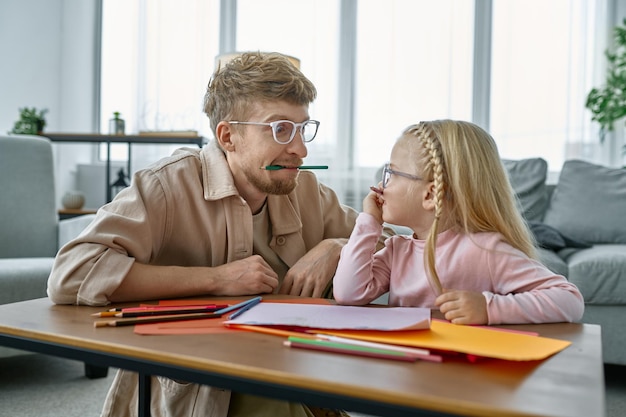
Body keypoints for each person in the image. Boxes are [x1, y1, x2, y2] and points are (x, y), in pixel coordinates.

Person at [48, 52, 389, 417]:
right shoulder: (166, 184)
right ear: (228, 136)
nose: (300, 150)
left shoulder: (304, 188)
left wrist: (335, 247)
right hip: (198, 388)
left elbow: (392, 248)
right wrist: (218, 278)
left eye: (303, 128)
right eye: (280, 129)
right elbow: (71, 273)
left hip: (292, 371)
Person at [333, 120, 584, 325]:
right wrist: (368, 223)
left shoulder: (485, 249)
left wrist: (489, 308)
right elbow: (347, 293)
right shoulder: (397, 251)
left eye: (391, 173)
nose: (380, 185)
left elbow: (569, 299)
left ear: (430, 195)